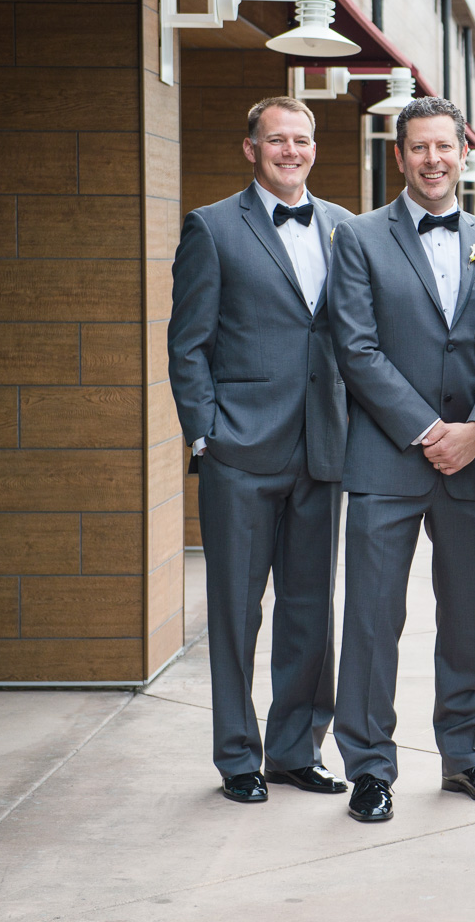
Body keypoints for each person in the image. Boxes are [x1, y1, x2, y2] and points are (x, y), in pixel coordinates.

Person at [325, 96, 475, 824]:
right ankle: (370, 768)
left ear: (463, 152)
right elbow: (356, 348)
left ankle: (466, 757)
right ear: (399, 155)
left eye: (444, 147)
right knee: (373, 621)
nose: (432, 160)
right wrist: (429, 429)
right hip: (386, 459)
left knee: (466, 618)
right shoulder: (359, 238)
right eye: (418, 148)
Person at [168, 96, 351, 804]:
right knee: (236, 613)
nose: (290, 151)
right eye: (277, 140)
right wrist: (207, 433)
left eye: (301, 140)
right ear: (252, 149)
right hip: (239, 453)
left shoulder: (343, 228)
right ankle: (238, 756)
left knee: (310, 611)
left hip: (322, 450)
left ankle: (296, 750)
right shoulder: (212, 227)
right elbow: (188, 344)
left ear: (315, 148)